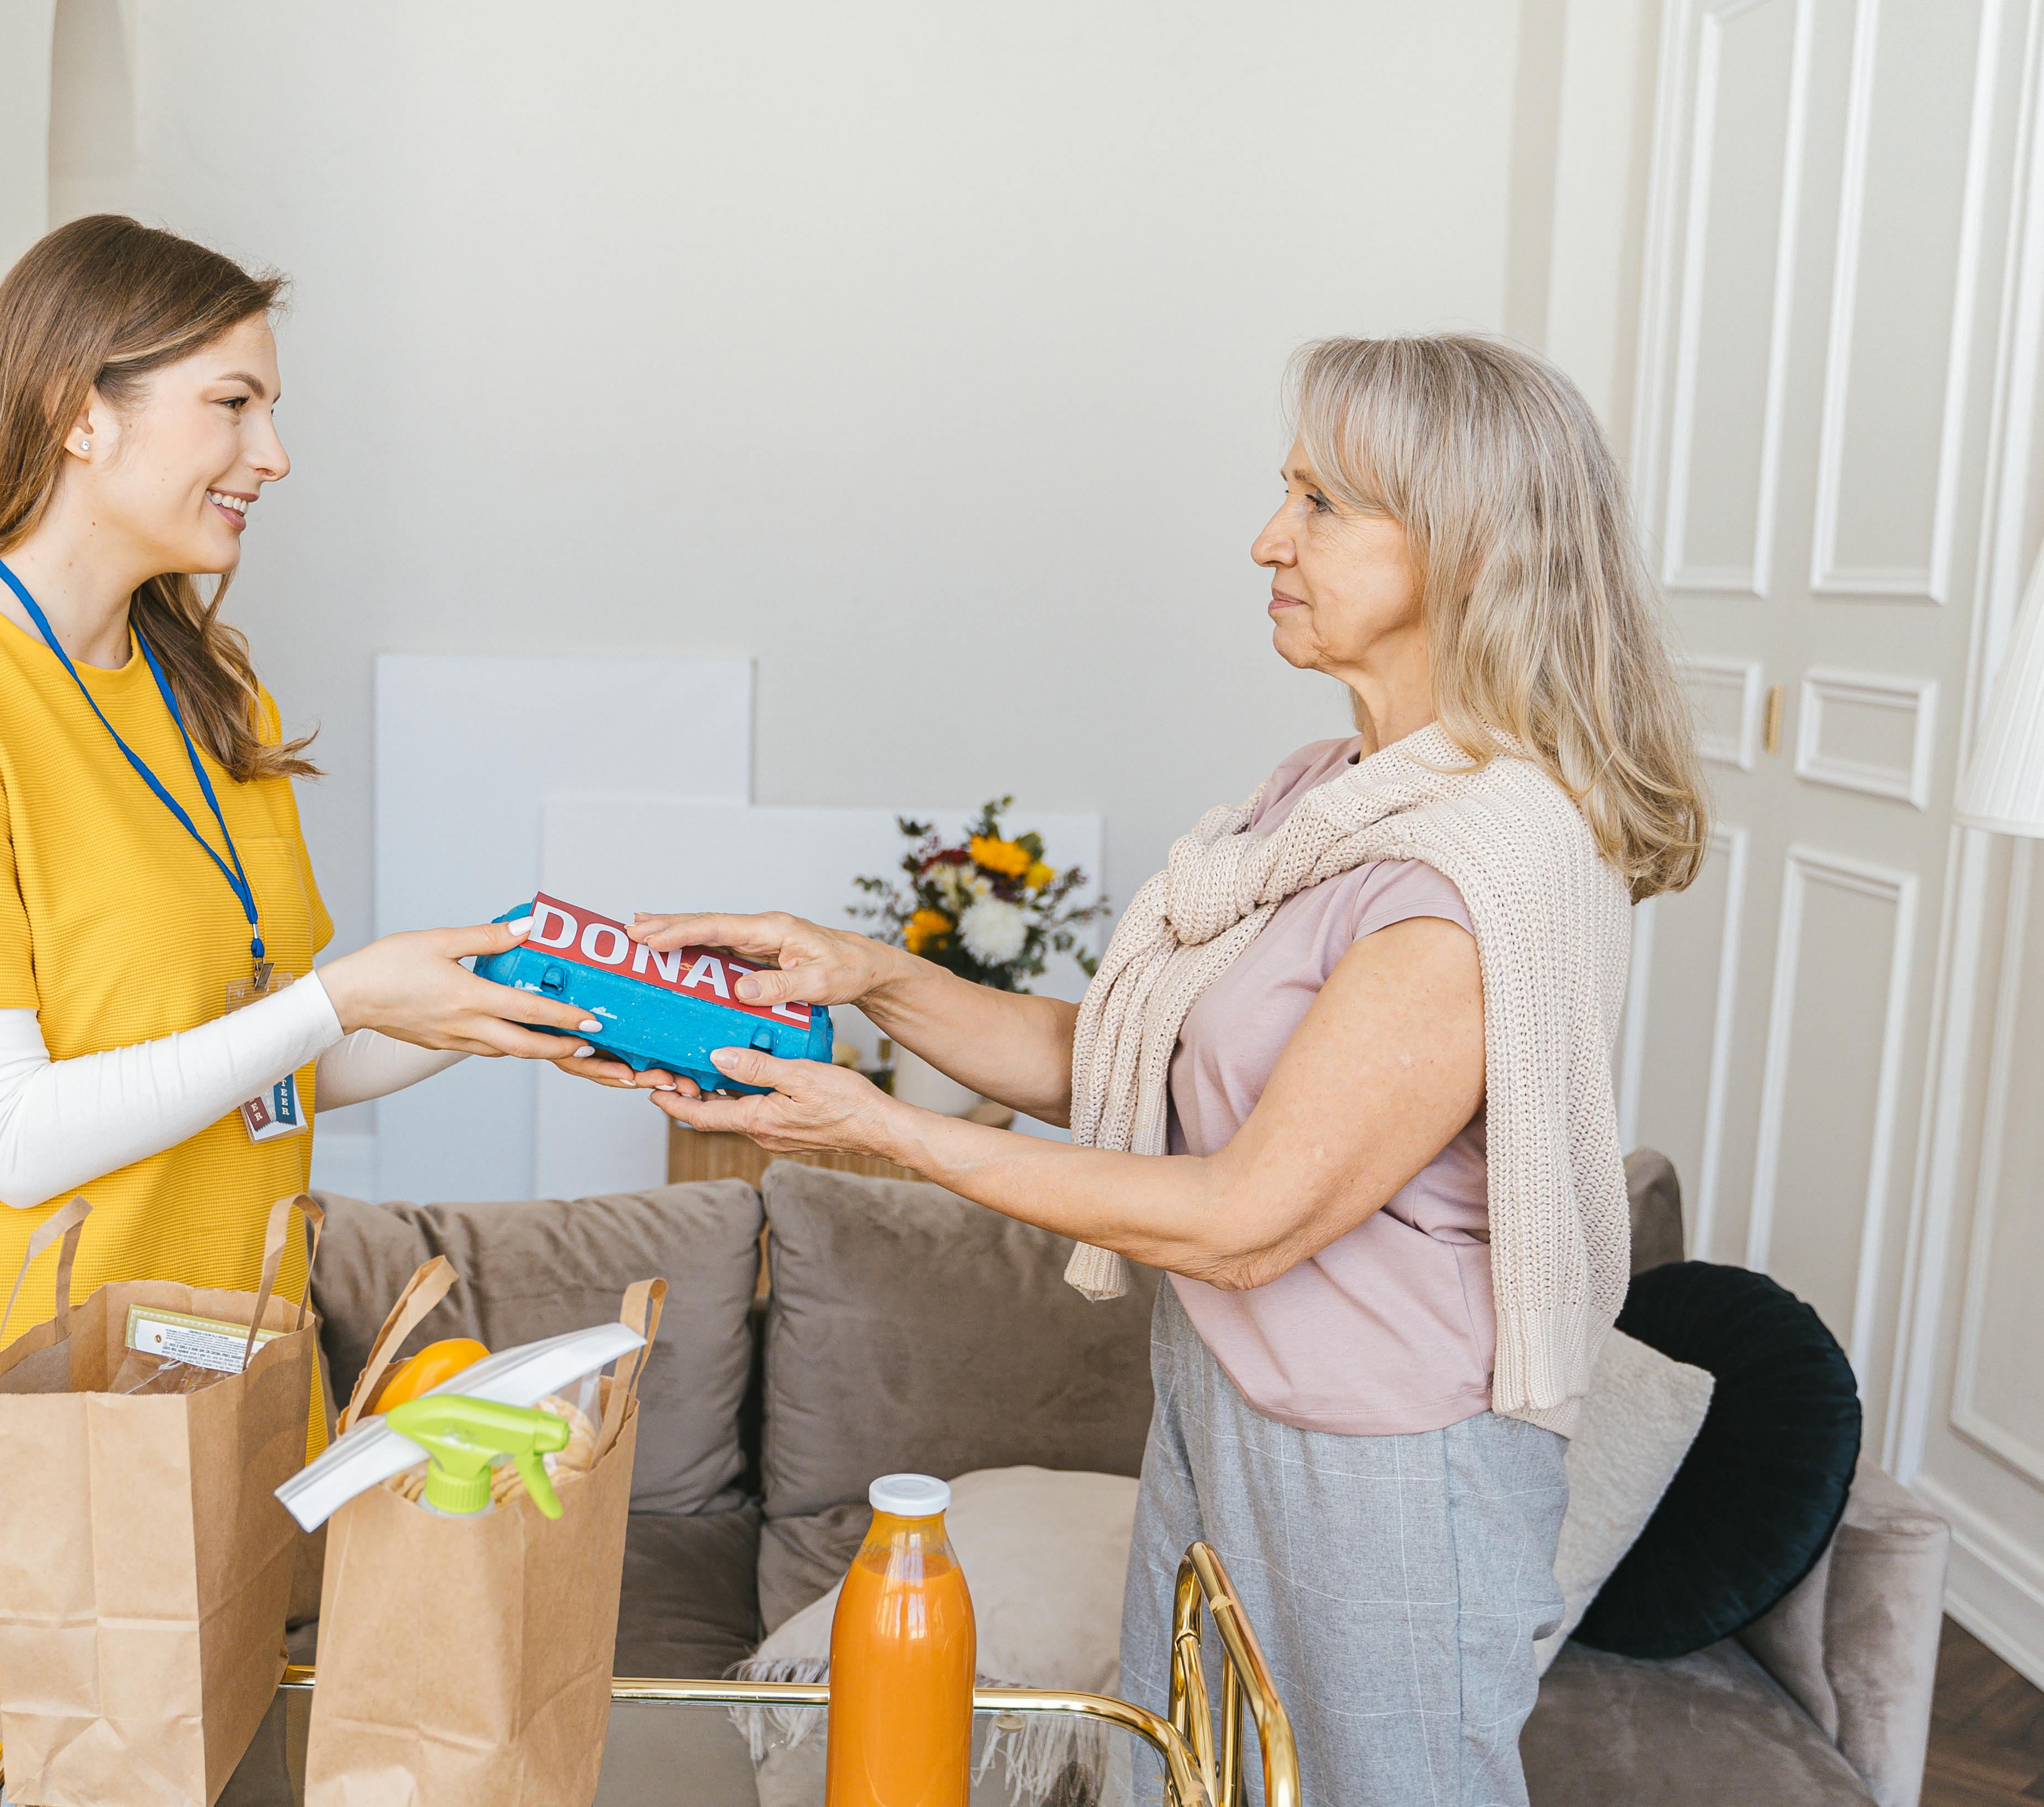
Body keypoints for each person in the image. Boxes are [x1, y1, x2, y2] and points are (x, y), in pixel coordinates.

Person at [637, 334, 1704, 1805]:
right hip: (1227, 1396)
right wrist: (868, 973)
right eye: (1286, 496)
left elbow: (1245, 1215)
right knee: (1198, 1774)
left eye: (1321, 504)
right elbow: (1130, 1060)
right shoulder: (1323, 798)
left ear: (1463, 549)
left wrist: (884, 1135)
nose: (1269, 540)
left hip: (1381, 1462)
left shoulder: (1476, 873)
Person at [0, 215, 685, 1807]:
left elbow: (280, 1053)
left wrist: (502, 1003)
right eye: (233, 403)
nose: (273, 455)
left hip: (216, 1404)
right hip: (32, 1436)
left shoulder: (210, 685)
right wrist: (338, 997)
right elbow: (10, 1140)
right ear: (82, 409)